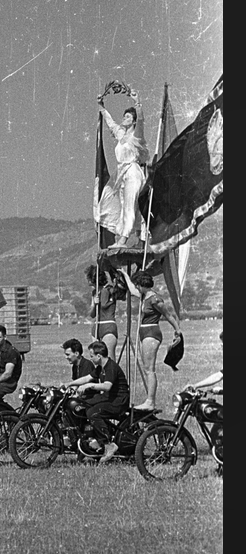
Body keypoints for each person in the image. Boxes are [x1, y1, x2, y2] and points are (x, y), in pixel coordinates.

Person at [96, 89, 150, 248]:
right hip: (121, 174)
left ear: (133, 121)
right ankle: (136, 238)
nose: (124, 118)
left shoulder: (136, 136)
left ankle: (123, 240)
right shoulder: (121, 135)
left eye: (128, 117)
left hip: (133, 172)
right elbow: (110, 123)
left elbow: (141, 121)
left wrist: (137, 102)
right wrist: (101, 107)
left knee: (129, 205)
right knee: (117, 203)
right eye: (124, 116)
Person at [123, 269, 182, 410]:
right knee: (146, 368)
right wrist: (124, 274)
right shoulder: (144, 296)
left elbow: (168, 315)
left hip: (151, 332)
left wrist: (177, 329)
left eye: (138, 284)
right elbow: (131, 290)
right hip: (144, 332)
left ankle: (150, 402)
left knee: (150, 369)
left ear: (142, 284)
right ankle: (149, 400)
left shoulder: (155, 299)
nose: (136, 287)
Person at [67, 340, 130, 462]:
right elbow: (87, 378)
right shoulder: (100, 367)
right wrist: (69, 384)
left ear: (99, 356)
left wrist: (89, 386)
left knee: (93, 413)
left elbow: (107, 386)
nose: (90, 359)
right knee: (82, 406)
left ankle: (108, 444)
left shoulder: (111, 367)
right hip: (108, 397)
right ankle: (86, 442)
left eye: (92, 356)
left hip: (118, 401)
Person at [84, 264, 124, 361]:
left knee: (109, 359)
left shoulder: (109, 289)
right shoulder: (94, 292)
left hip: (108, 326)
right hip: (97, 327)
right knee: (96, 360)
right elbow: (92, 314)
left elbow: (106, 305)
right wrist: (94, 304)